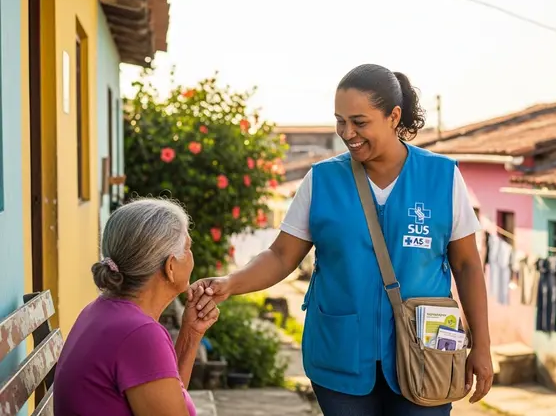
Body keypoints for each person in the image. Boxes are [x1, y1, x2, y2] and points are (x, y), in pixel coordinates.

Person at [191, 64, 492, 416]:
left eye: (359, 122)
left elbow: (467, 264)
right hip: (341, 354)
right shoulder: (322, 180)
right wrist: (231, 284)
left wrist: (482, 348)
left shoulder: (442, 177)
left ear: (394, 116)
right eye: (340, 121)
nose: (348, 133)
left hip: (430, 353)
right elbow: (281, 256)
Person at [54, 198, 219, 416]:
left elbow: (165, 396)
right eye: (187, 247)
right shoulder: (139, 335)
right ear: (170, 267)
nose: (191, 255)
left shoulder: (101, 310)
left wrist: (191, 332)